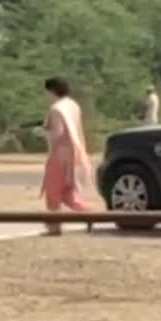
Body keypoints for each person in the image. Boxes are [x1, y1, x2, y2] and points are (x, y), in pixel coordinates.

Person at [39, 77, 93, 235]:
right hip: (73, 153)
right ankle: (89, 215)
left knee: (53, 190)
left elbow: (57, 133)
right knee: (68, 193)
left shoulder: (56, 109)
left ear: (51, 91)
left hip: (59, 154)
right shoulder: (73, 105)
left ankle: (54, 226)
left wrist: (42, 133)